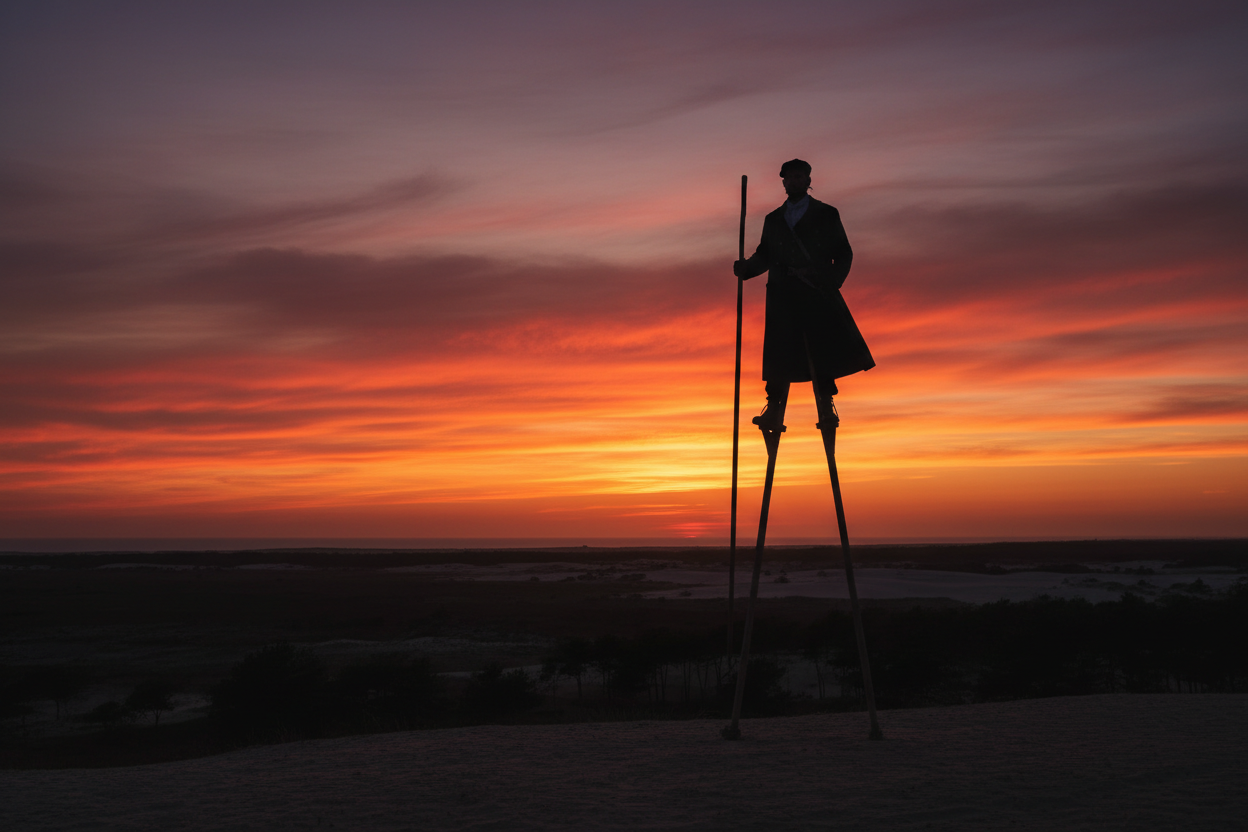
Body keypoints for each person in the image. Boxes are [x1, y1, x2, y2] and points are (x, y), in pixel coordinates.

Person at [733, 159, 874, 430]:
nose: (795, 181)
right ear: (783, 182)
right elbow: (766, 254)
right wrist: (747, 268)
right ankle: (774, 409)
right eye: (790, 177)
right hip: (782, 296)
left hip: (816, 294)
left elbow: (843, 253)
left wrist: (831, 282)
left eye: (800, 177)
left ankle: (826, 408)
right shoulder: (773, 220)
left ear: (808, 180)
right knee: (780, 354)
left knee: (821, 351)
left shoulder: (827, 214)